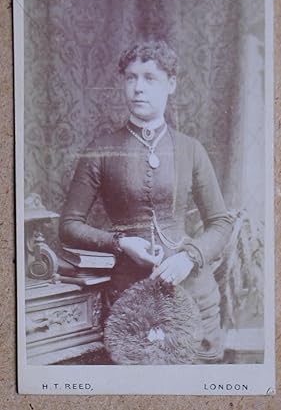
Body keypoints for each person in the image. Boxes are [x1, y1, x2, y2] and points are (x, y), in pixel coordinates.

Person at [59, 40, 232, 362]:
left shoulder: (190, 149)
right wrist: (121, 243)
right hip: (129, 297)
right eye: (130, 77)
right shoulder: (100, 150)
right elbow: (68, 226)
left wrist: (189, 258)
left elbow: (220, 222)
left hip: (194, 292)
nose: (138, 88)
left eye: (149, 78)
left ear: (171, 84)